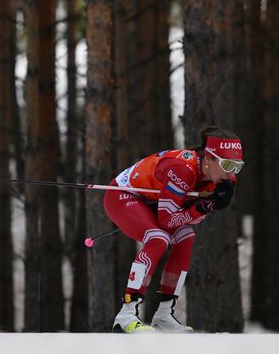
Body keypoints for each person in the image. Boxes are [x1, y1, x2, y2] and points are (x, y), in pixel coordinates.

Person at [104, 127, 245, 333]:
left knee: (186, 237)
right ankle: (126, 314)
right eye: (226, 164)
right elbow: (167, 220)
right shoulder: (182, 170)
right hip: (124, 195)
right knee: (158, 238)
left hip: (154, 203)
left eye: (237, 166)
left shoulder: (226, 178)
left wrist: (207, 206)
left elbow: (185, 217)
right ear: (208, 159)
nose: (231, 172)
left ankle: (163, 315)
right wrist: (204, 207)